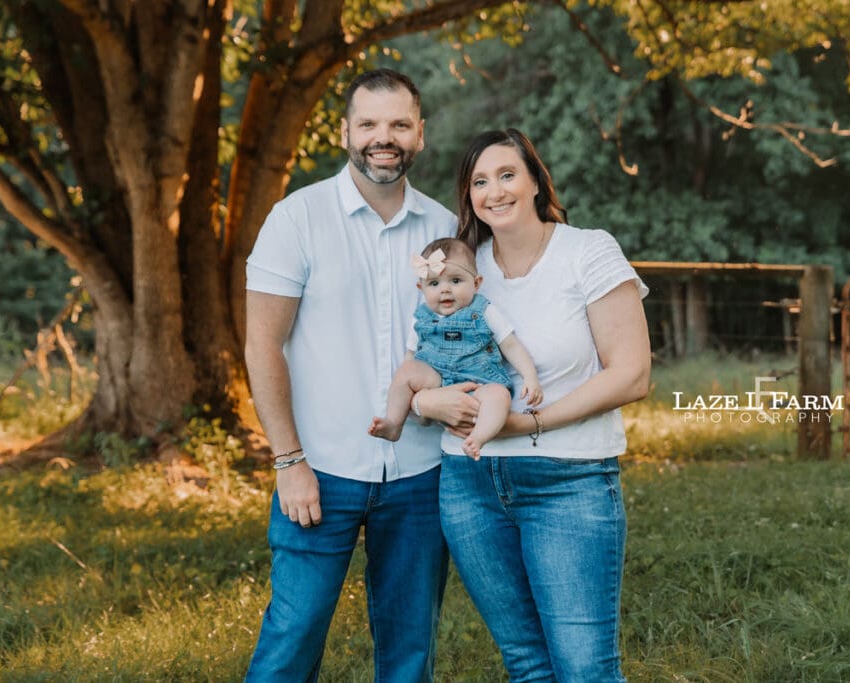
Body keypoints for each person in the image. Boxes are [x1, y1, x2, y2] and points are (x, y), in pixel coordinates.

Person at [243, 69, 470, 682]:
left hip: (422, 476)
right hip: (320, 473)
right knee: (292, 637)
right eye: (369, 123)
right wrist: (288, 462)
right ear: (345, 131)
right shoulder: (297, 218)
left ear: (420, 134)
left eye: (398, 124)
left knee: (409, 650)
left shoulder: (448, 231)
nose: (383, 137)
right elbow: (262, 346)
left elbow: (469, 343)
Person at [419, 128, 651, 682]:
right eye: (479, 181)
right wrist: (427, 399)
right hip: (470, 485)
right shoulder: (461, 269)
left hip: (567, 482)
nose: (494, 191)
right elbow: (425, 352)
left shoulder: (587, 251)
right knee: (526, 665)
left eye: (506, 175)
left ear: (533, 181)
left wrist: (528, 423)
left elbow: (632, 374)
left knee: (585, 669)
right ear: (467, 195)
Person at [368, 237, 542, 458]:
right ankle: (393, 423)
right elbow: (411, 355)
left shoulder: (484, 311)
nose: (445, 290)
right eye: (434, 283)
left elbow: (511, 345)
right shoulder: (421, 318)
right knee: (406, 371)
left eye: (456, 281)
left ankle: (477, 438)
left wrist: (530, 377)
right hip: (437, 381)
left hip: (480, 382)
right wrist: (410, 385)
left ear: (476, 283)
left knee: (499, 396)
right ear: (421, 287)